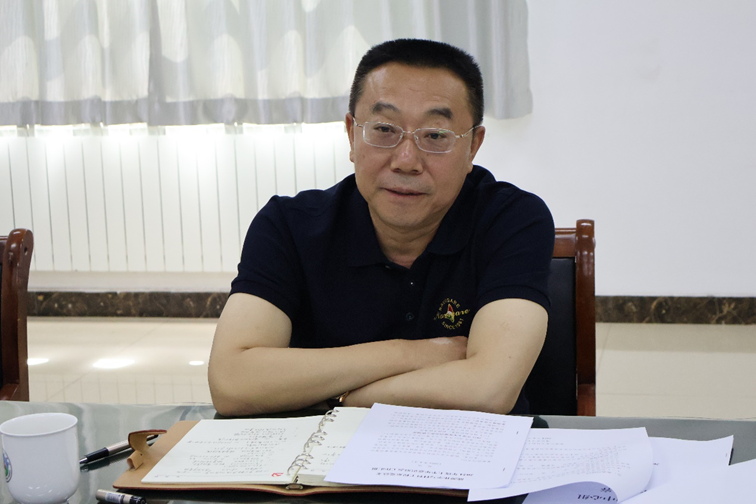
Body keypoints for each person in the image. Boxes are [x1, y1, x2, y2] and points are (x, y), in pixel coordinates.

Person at [208, 39, 554, 417]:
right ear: (351, 135)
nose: (406, 160)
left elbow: (488, 390)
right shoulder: (288, 226)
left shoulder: (512, 219)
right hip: (324, 453)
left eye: (435, 135)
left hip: (477, 450)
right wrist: (411, 354)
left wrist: (341, 398)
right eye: (385, 129)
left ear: (473, 146)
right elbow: (232, 382)